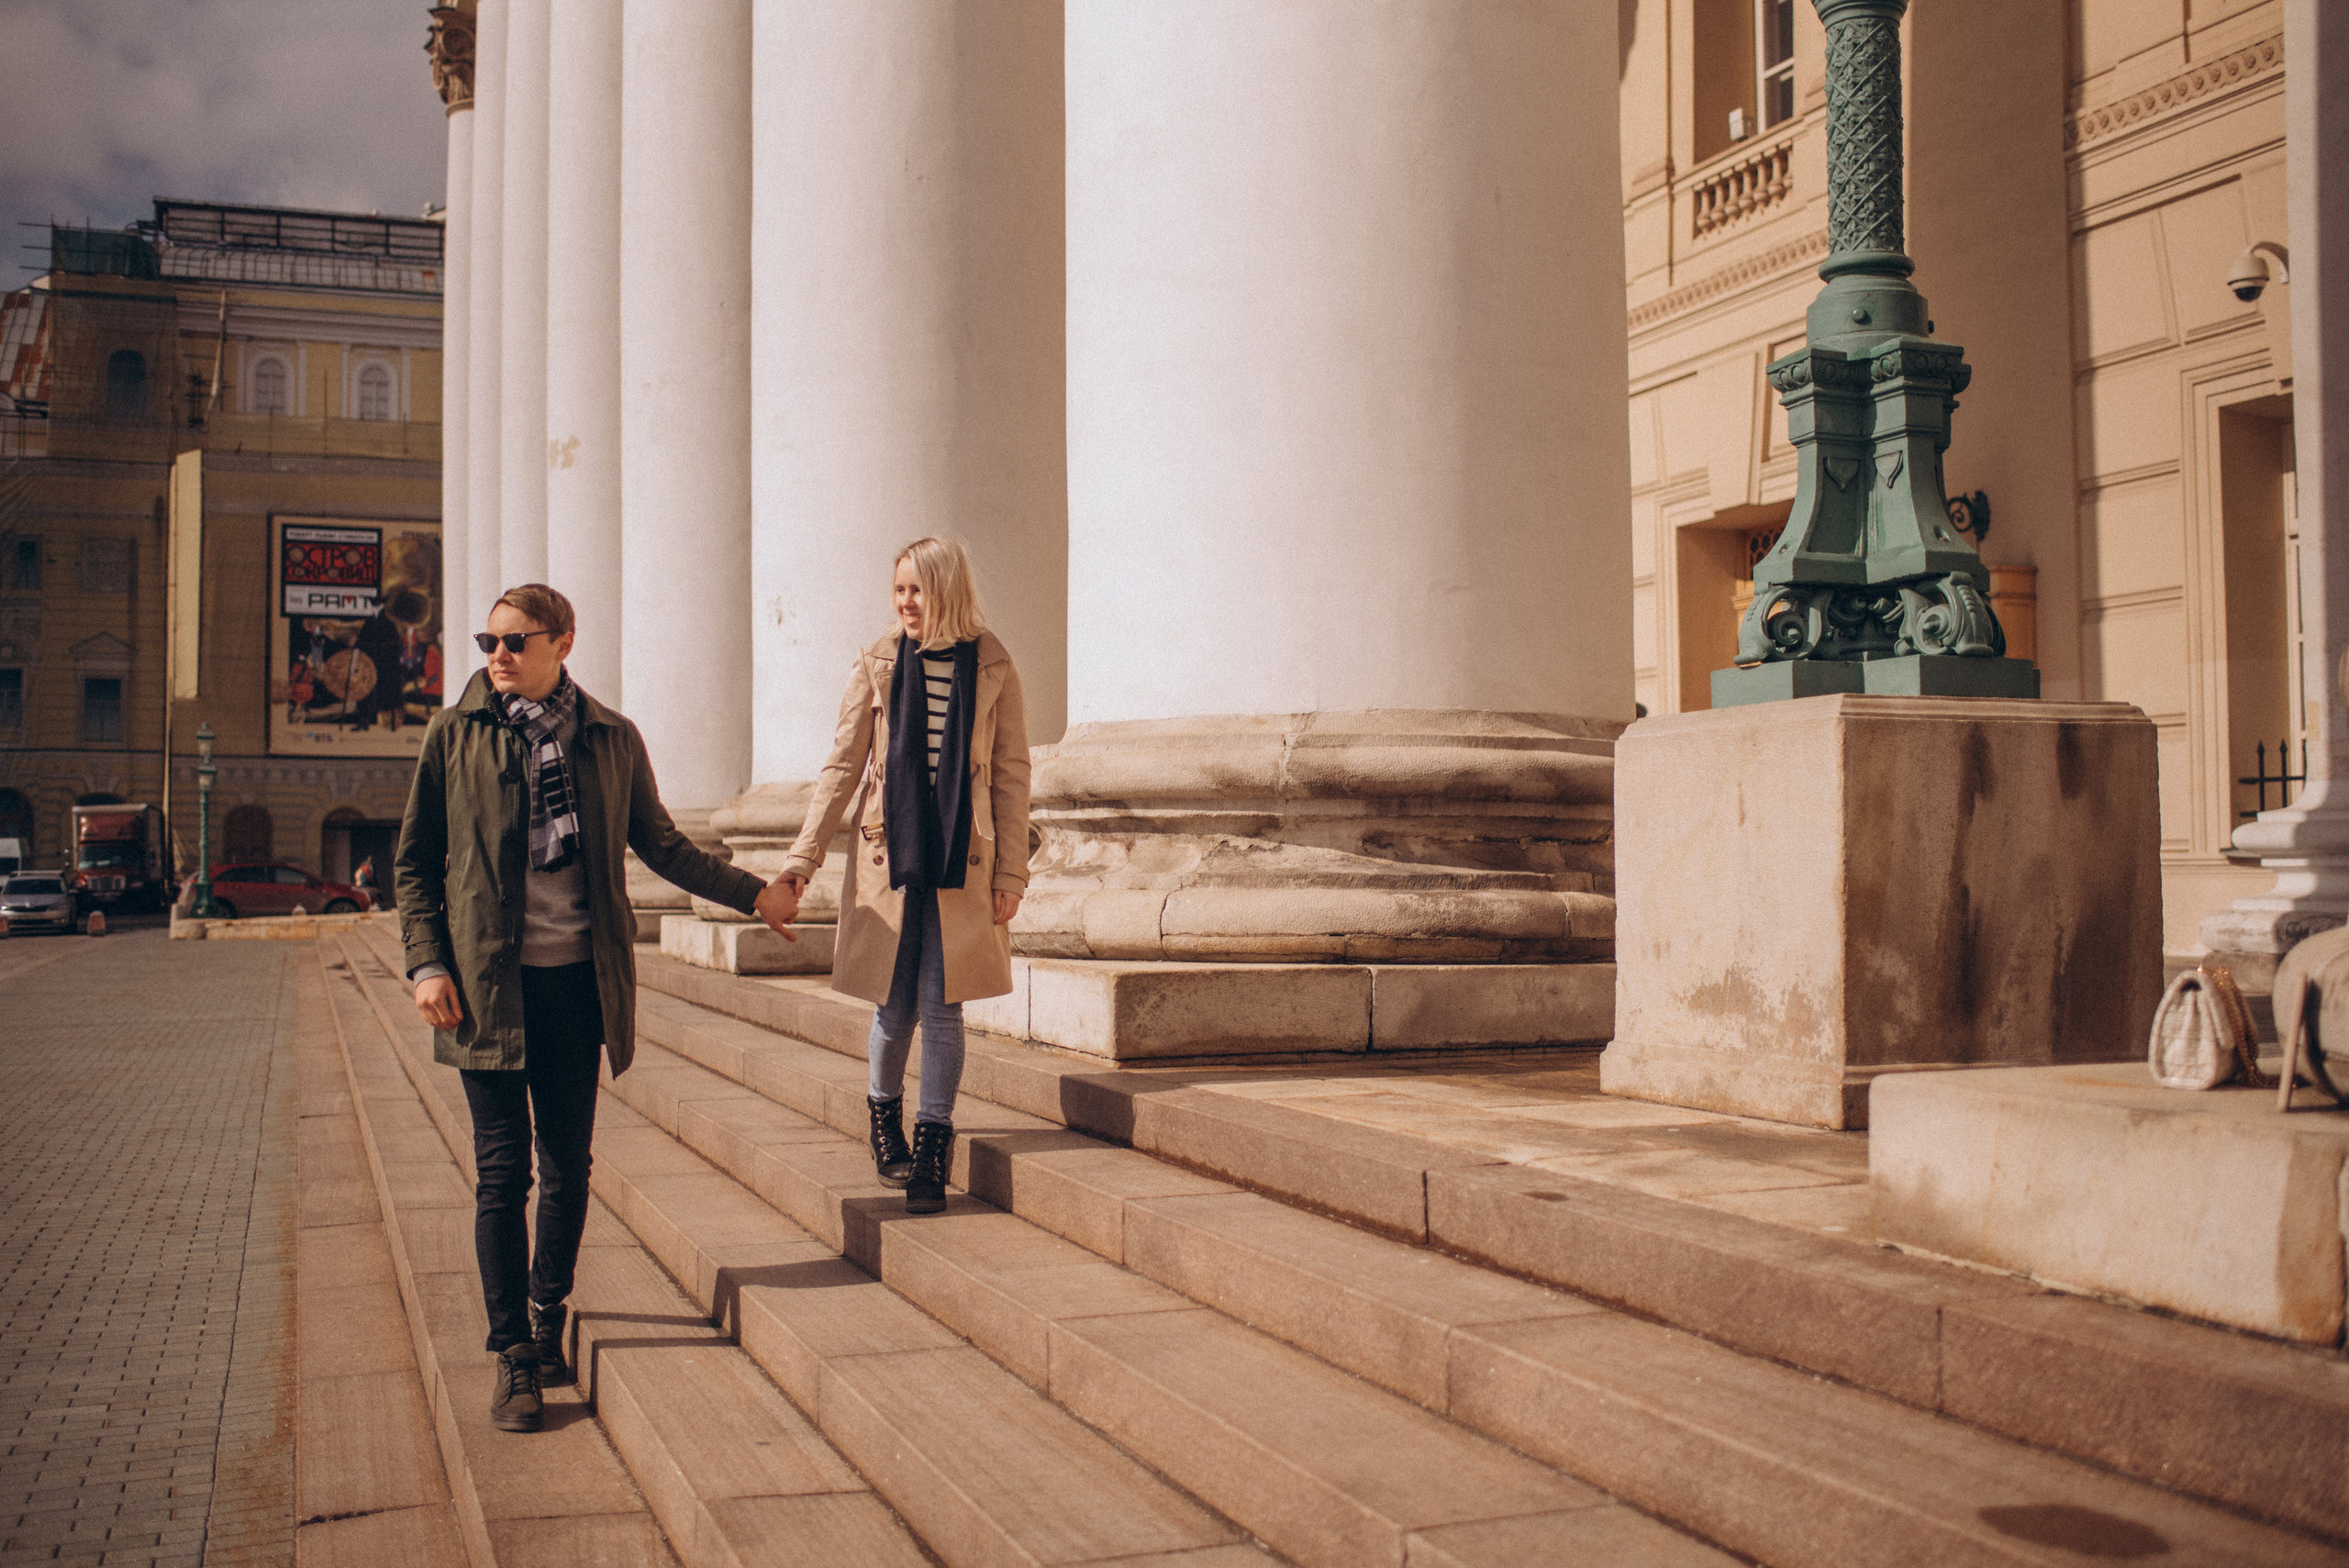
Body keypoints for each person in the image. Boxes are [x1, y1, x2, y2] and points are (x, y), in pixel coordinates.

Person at [395, 584, 798, 1434]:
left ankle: (548, 1314)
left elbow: (664, 846)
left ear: (563, 643)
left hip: (576, 984)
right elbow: (415, 864)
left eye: (515, 640)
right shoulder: (454, 733)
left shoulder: (610, 738)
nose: (496, 655)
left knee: (569, 1164)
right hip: (483, 990)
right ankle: (512, 1353)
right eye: (488, 640)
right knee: (504, 1173)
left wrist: (754, 893)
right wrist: (427, 962)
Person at [772, 537, 1032, 1215]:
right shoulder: (879, 662)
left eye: (917, 589)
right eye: (900, 590)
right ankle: (884, 1112)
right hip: (892, 856)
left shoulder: (994, 663)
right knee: (896, 1005)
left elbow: (1010, 775)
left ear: (948, 588)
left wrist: (1013, 871)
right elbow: (841, 768)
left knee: (944, 1006)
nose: (906, 602)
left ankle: (932, 1145)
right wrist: (804, 855)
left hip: (960, 858)